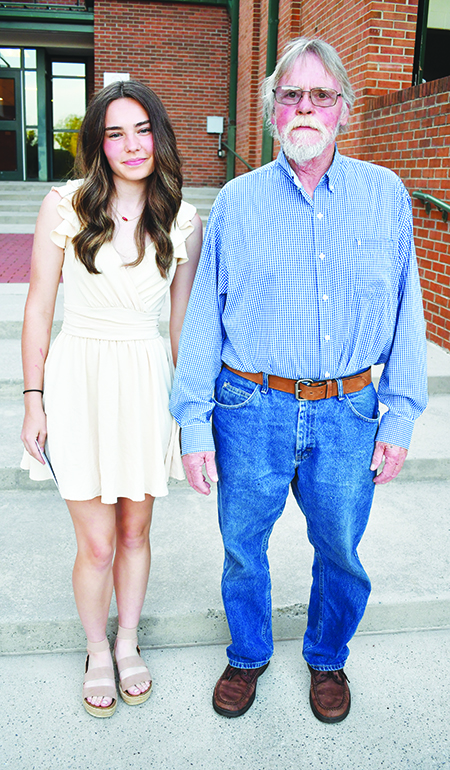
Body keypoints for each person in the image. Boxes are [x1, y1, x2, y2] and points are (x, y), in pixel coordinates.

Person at [170, 37, 428, 723]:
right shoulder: (236, 202)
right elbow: (203, 319)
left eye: (321, 95)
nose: (305, 106)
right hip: (249, 405)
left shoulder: (386, 197)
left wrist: (399, 416)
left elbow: (408, 311)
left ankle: (327, 656)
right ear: (272, 112)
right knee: (242, 547)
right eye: (291, 95)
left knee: (339, 548)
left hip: (349, 408)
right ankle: (249, 652)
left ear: (344, 110)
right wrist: (193, 422)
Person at [21, 80, 202, 717]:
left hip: (145, 377)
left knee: (135, 530)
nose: (131, 144)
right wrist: (33, 398)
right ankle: (96, 647)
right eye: (115, 131)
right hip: (79, 377)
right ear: (99, 142)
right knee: (95, 542)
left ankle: (129, 641)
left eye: (143, 129)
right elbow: (39, 307)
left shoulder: (181, 216)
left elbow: (181, 326)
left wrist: (192, 414)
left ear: (160, 135)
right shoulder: (65, 204)